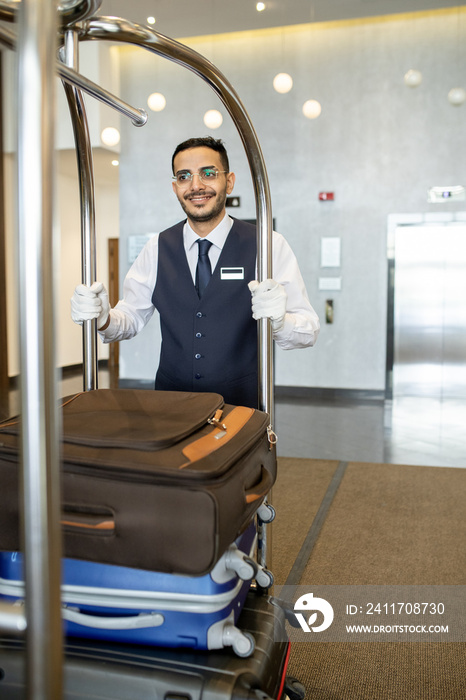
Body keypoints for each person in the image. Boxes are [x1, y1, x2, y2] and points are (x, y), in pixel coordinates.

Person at [71, 136, 320, 408]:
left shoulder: (267, 243)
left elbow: (308, 329)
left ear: (229, 181)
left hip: (243, 406)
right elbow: (129, 318)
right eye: (184, 176)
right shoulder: (157, 247)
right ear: (175, 186)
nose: (196, 185)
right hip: (171, 406)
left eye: (208, 173)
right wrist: (103, 317)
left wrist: (280, 322)